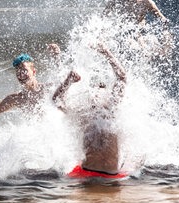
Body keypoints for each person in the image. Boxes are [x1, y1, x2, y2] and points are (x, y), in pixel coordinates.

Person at [52, 43, 128, 178]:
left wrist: (106, 52)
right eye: (94, 90)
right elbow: (57, 101)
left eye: (101, 89)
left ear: (107, 94)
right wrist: (68, 81)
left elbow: (122, 77)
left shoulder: (111, 109)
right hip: (86, 172)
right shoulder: (82, 113)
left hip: (111, 174)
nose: (96, 94)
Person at [104, 0, 168, 24]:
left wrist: (165, 32)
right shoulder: (116, 1)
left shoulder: (146, 2)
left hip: (140, 30)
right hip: (123, 29)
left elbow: (162, 19)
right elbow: (104, 17)